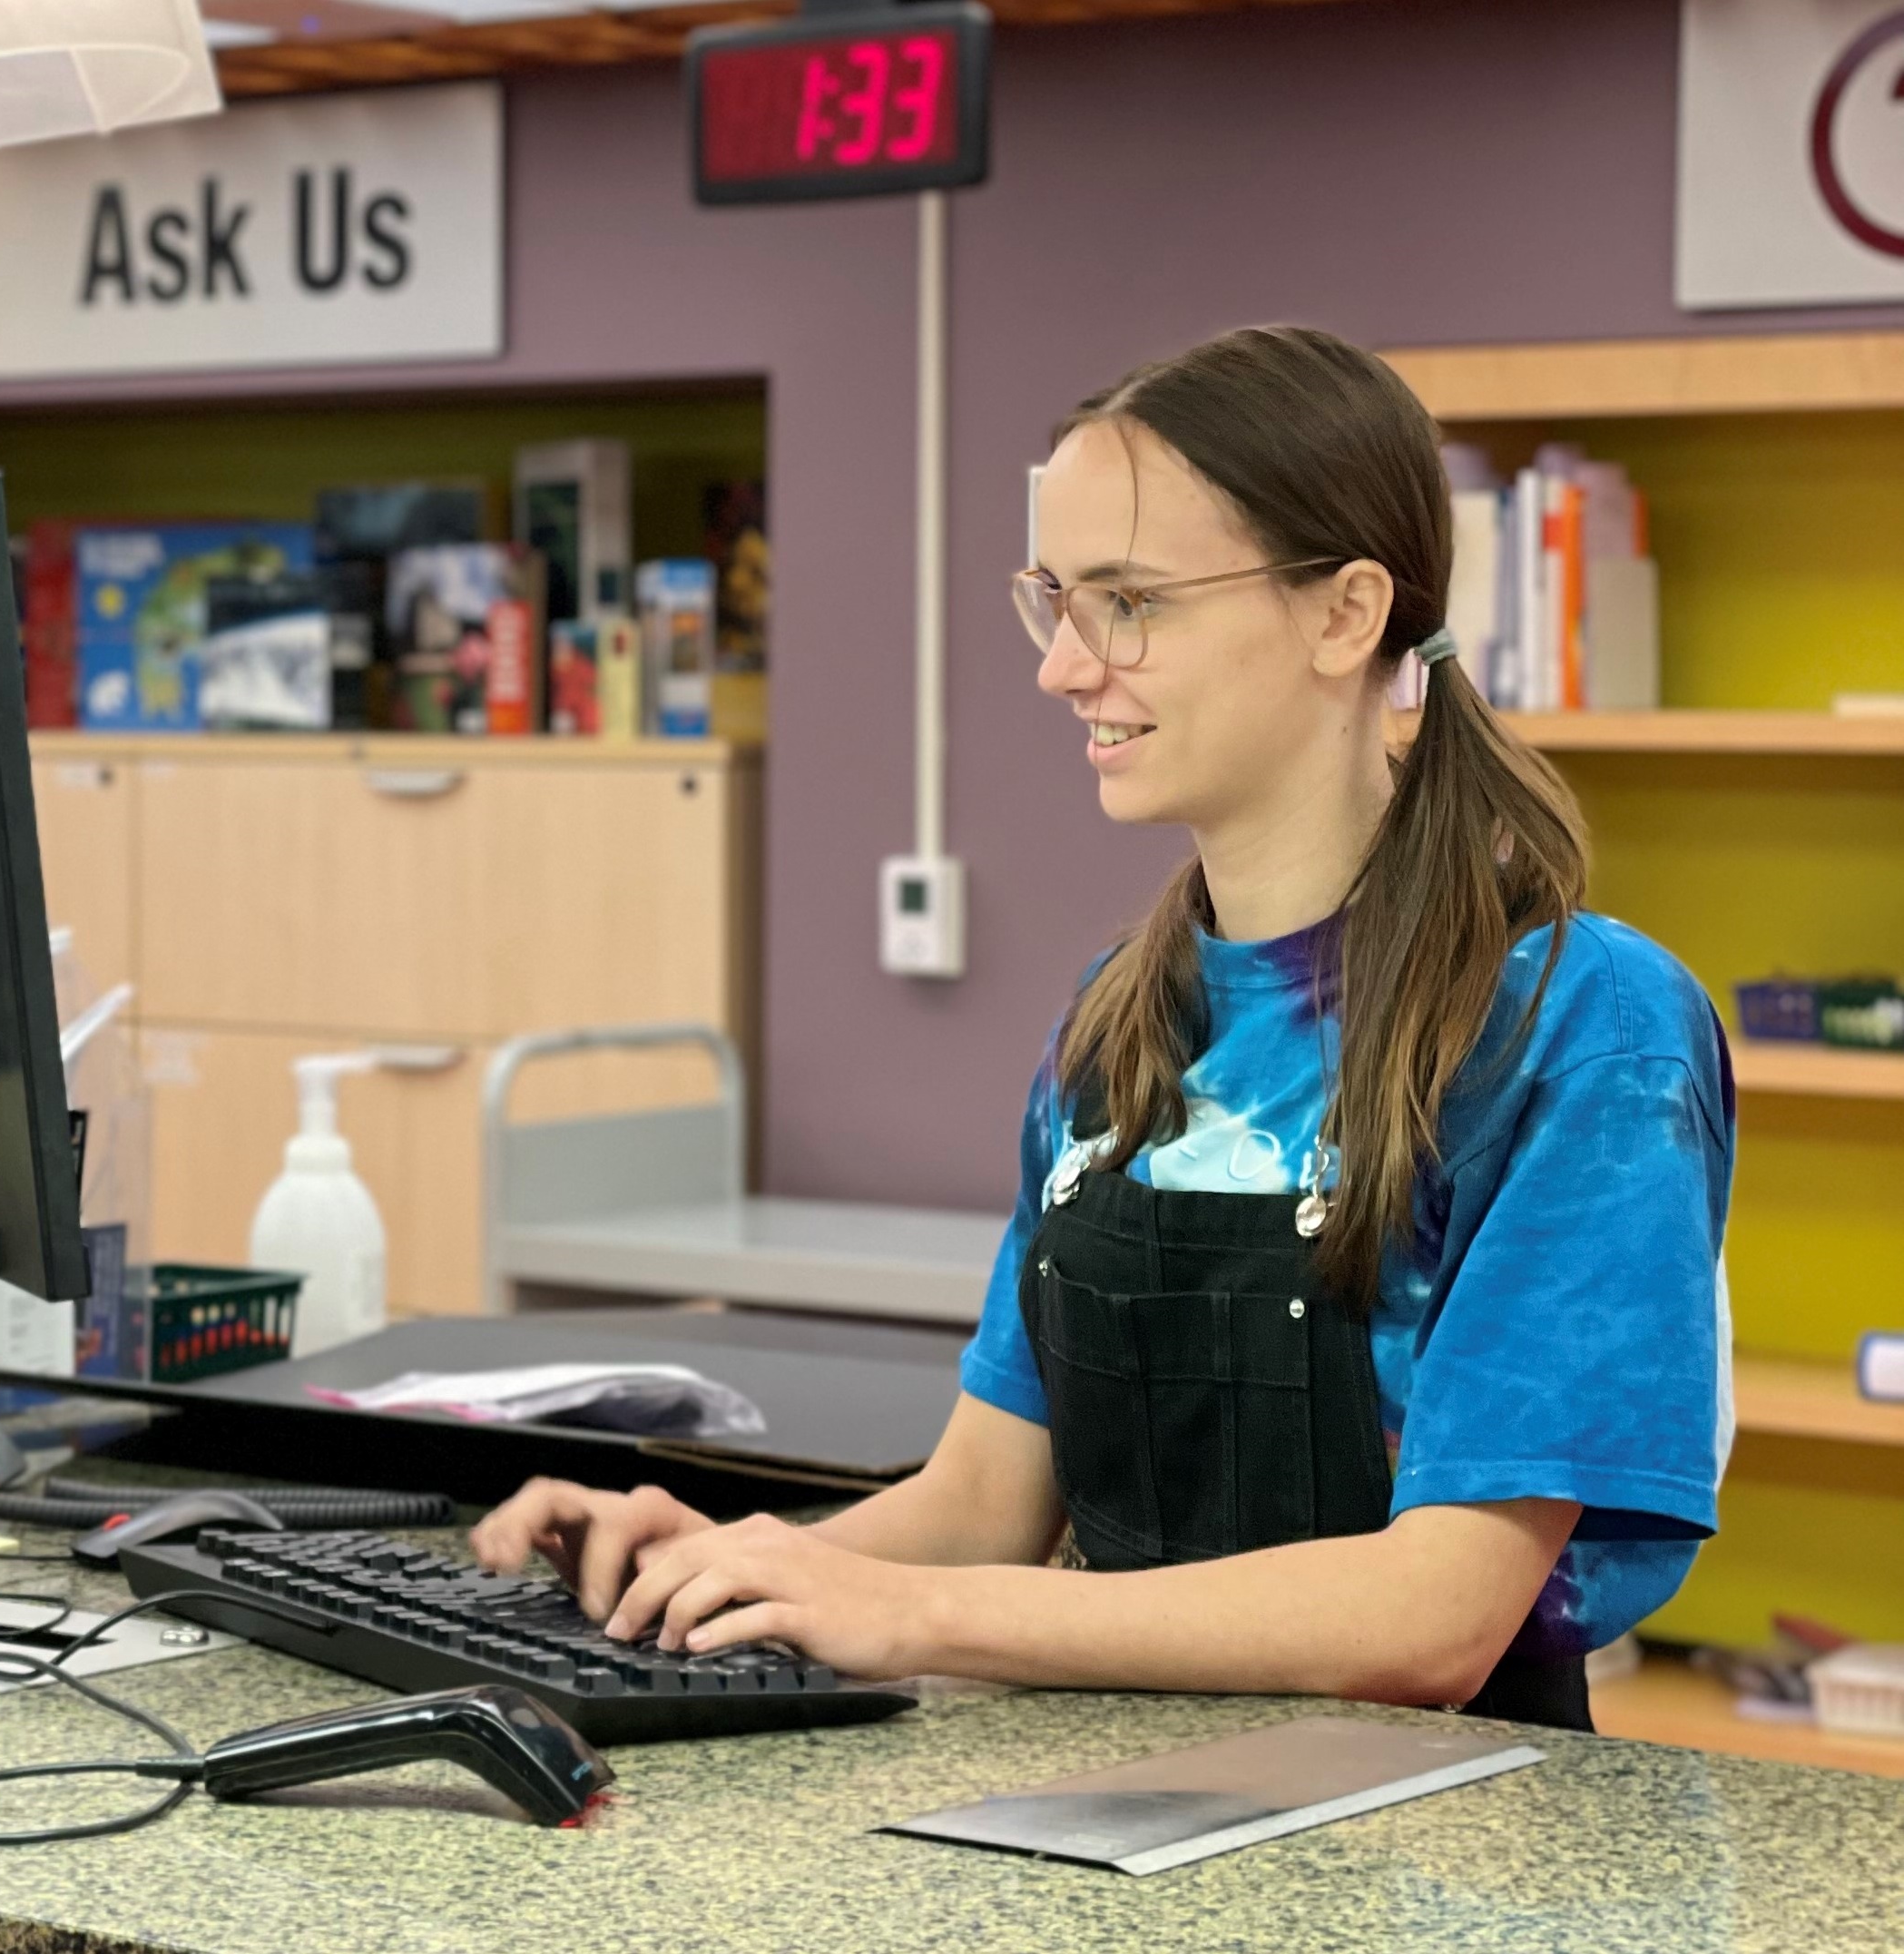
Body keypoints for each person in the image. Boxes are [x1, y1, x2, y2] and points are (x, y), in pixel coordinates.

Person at [469, 326, 1733, 1731]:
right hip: (1112, 1815)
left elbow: (1432, 1618)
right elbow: (982, 1507)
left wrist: (921, 1616)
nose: (1065, 668)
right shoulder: (1120, 1021)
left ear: (1345, 612)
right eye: (1057, 602)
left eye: (1130, 604)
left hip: (1433, 1861)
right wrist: (715, 1563)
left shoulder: (1580, 1027)